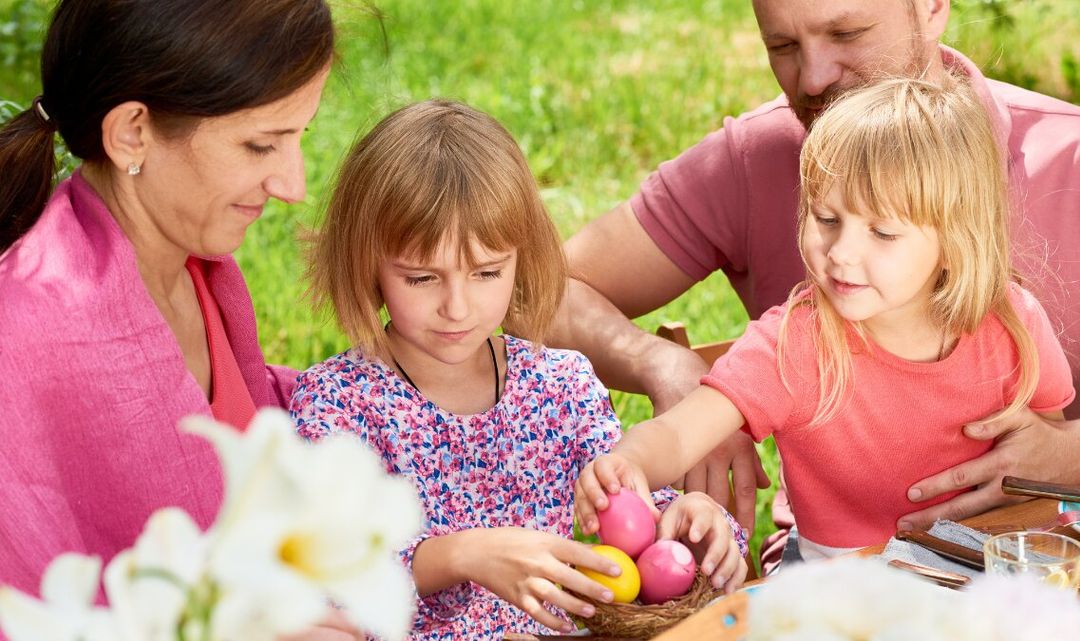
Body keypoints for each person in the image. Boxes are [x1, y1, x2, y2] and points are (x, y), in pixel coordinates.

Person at [553, 0, 1080, 569]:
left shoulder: (1073, 199)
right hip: (840, 575)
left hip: (996, 567)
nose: (813, 79)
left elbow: (1052, 426)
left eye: (848, 33)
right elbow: (536, 288)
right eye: (782, 45)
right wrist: (659, 392)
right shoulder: (797, 330)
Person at [289, 99, 748, 640]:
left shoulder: (559, 385)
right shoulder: (340, 404)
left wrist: (689, 524)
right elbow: (326, 585)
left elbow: (623, 515)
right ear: (366, 263)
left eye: (486, 272)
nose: (457, 307)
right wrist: (461, 555)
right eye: (421, 278)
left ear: (520, 258)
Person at [0, 1, 355, 638]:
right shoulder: (23, 336)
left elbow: (244, 423)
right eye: (260, 144)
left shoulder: (193, 267)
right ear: (132, 131)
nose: (294, 184)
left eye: (298, 137)